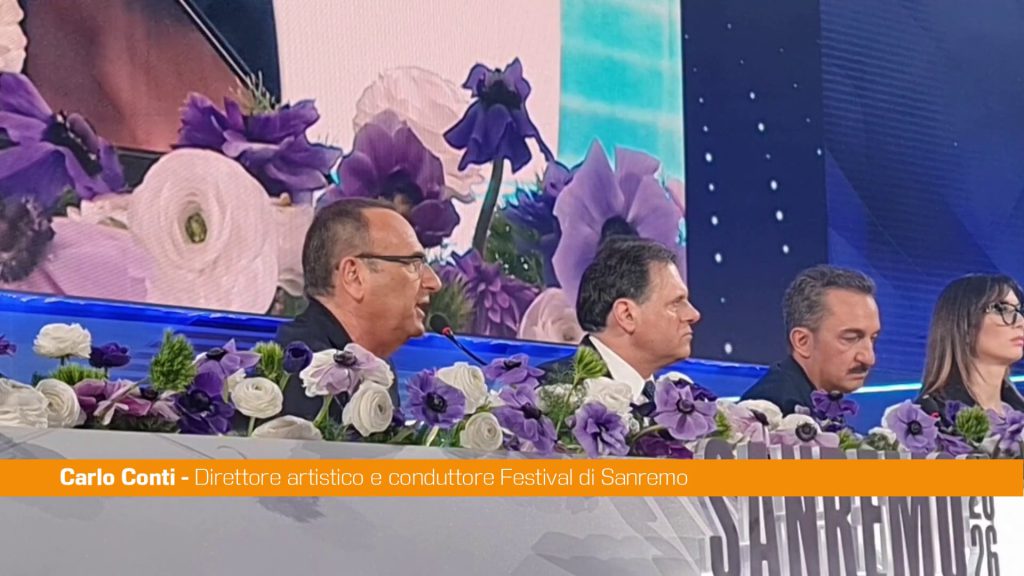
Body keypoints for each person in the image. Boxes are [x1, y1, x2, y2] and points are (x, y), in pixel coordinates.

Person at [276, 198, 442, 421]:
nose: (434, 282)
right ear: (354, 276)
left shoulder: (377, 366)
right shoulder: (301, 371)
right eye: (414, 264)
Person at [541, 237, 701, 400]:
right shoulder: (551, 395)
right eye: (676, 303)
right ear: (627, 315)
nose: (694, 315)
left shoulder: (682, 400)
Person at [740, 265, 881, 414]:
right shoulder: (773, 412)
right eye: (850, 338)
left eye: (873, 339)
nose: (869, 359)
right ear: (802, 342)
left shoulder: (813, 400)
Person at [917, 274, 1024, 423]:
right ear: (964, 326)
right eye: (1002, 309)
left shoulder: (1018, 415)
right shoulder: (926, 419)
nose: (1020, 322)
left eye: (1019, 311)